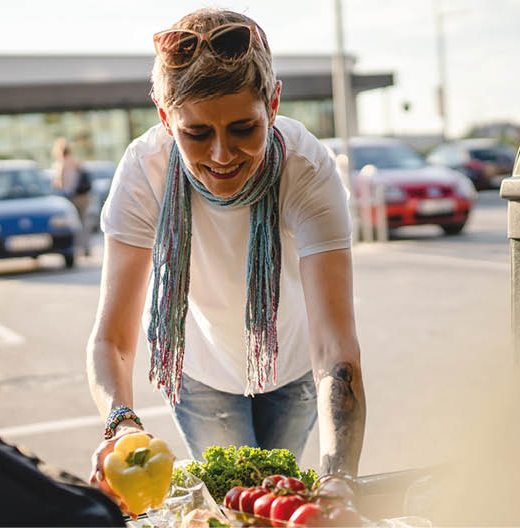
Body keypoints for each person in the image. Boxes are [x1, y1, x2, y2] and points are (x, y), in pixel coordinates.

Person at [86, 8, 366, 507]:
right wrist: (119, 424)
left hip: (298, 365)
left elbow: (335, 346)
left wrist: (339, 477)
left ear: (273, 103)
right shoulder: (143, 172)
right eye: (196, 133)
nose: (220, 154)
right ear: (165, 117)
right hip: (201, 373)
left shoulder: (307, 168)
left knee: (276, 505)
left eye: (242, 128)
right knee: (230, 508)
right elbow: (113, 339)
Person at [51, 137, 91, 256]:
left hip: (69, 197)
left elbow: (59, 183)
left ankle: (74, 248)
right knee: (83, 222)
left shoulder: (60, 163)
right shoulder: (76, 161)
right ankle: (86, 247)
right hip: (83, 197)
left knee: (71, 224)